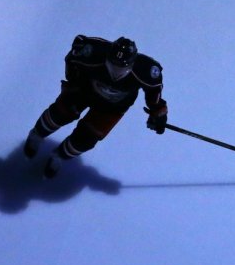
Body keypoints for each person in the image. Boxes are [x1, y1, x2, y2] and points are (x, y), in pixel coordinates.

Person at [24, 35, 168, 178]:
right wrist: (73, 80)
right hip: (84, 90)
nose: (116, 70)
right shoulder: (93, 53)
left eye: (121, 66)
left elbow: (154, 89)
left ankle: (59, 156)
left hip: (113, 107)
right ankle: (36, 134)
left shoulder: (145, 71)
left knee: (86, 139)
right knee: (59, 114)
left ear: (131, 64)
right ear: (107, 57)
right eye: (112, 63)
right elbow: (72, 57)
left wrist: (158, 112)